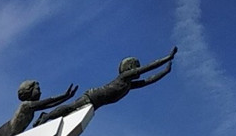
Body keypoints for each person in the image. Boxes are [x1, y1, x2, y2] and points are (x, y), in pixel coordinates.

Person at [34, 47, 178, 126]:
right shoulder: (124, 77)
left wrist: (165, 71)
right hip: (93, 96)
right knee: (72, 107)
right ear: (130, 67)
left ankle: (50, 119)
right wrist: (167, 57)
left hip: (96, 104)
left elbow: (149, 80)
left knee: (71, 115)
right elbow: (148, 68)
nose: (138, 69)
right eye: (136, 67)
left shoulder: (128, 85)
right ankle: (46, 116)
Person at [0, 80, 77, 136]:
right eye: (37, 89)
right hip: (7, 134)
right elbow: (47, 101)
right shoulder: (26, 105)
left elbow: (50, 105)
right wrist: (63, 95)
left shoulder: (32, 108)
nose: (40, 92)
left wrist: (67, 97)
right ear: (29, 91)